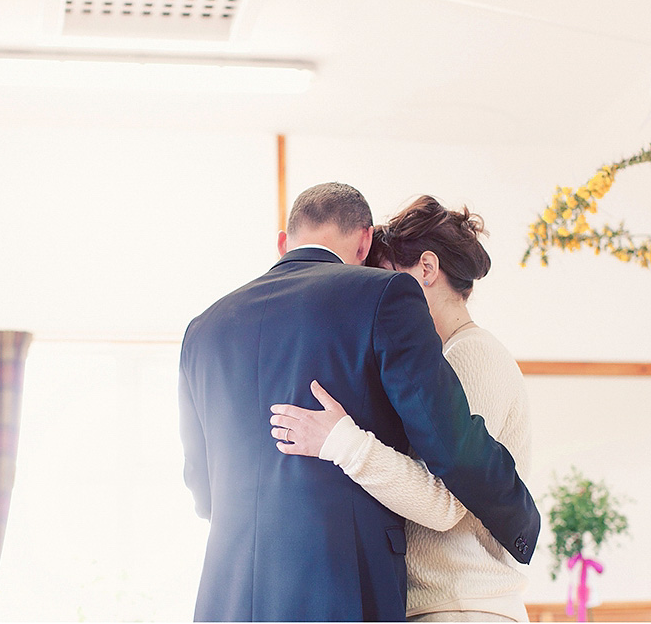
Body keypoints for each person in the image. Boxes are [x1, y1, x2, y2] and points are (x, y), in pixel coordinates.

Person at [179, 183, 540, 622]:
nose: (372, 277)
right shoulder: (381, 299)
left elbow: (202, 490)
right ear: (363, 240)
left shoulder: (202, 329)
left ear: (282, 243)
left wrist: (338, 442)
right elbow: (451, 465)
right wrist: (519, 518)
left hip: (235, 594)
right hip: (361, 593)